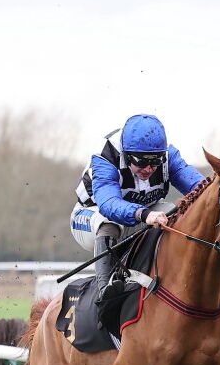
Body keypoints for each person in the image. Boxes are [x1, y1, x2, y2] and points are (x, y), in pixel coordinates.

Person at [70, 114, 205, 304]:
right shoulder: (106, 157)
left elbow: (202, 189)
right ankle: (105, 291)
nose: (149, 168)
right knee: (108, 221)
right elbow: (108, 204)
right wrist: (144, 214)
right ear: (125, 154)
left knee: (177, 215)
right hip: (90, 217)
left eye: (155, 161)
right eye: (141, 161)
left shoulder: (167, 155)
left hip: (141, 214)